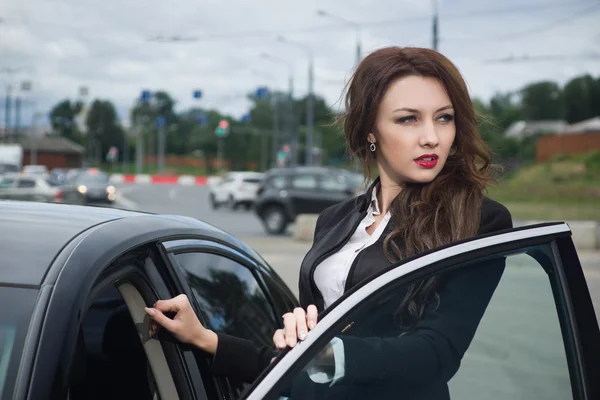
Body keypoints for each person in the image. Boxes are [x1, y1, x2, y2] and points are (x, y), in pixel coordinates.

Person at [144, 46, 513, 398]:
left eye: (443, 118)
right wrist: (206, 339)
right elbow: (301, 367)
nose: (431, 137)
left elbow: (437, 353)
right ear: (371, 131)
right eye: (408, 119)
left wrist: (325, 353)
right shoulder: (334, 220)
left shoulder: (478, 220)